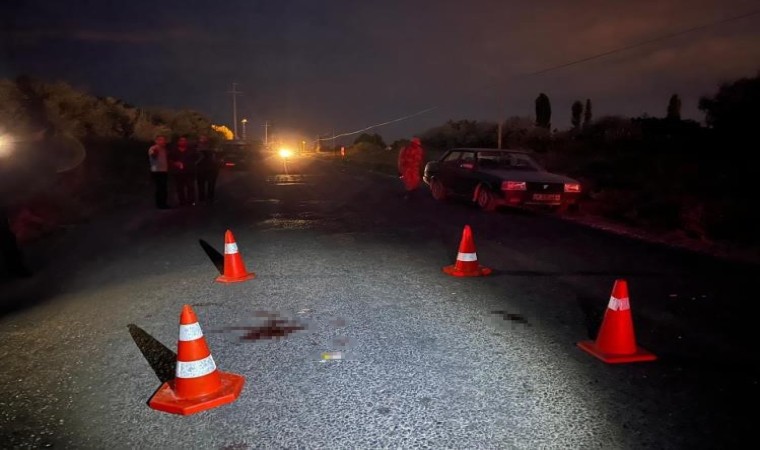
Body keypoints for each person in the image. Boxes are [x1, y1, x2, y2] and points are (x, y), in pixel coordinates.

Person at [169, 136, 197, 206]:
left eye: (184, 140)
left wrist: (193, 165)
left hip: (189, 172)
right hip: (178, 172)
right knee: (179, 187)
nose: (183, 142)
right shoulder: (174, 150)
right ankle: (182, 201)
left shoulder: (191, 150)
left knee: (190, 187)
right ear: (178, 142)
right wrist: (175, 163)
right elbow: (170, 159)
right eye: (181, 140)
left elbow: (197, 157)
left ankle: (191, 201)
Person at [195, 134, 219, 203]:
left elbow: (215, 159)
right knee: (201, 185)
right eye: (201, 138)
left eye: (204, 138)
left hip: (211, 169)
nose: (202, 140)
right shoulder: (196, 148)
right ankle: (202, 198)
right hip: (202, 169)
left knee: (210, 185)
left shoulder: (211, 148)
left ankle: (209, 198)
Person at [148, 135, 170, 209]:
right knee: (159, 188)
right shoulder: (153, 148)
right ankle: (160, 204)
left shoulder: (164, 149)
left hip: (164, 170)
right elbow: (153, 156)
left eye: (163, 140)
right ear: (156, 141)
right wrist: (156, 151)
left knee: (164, 188)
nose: (163, 141)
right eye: (160, 140)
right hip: (157, 171)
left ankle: (164, 203)